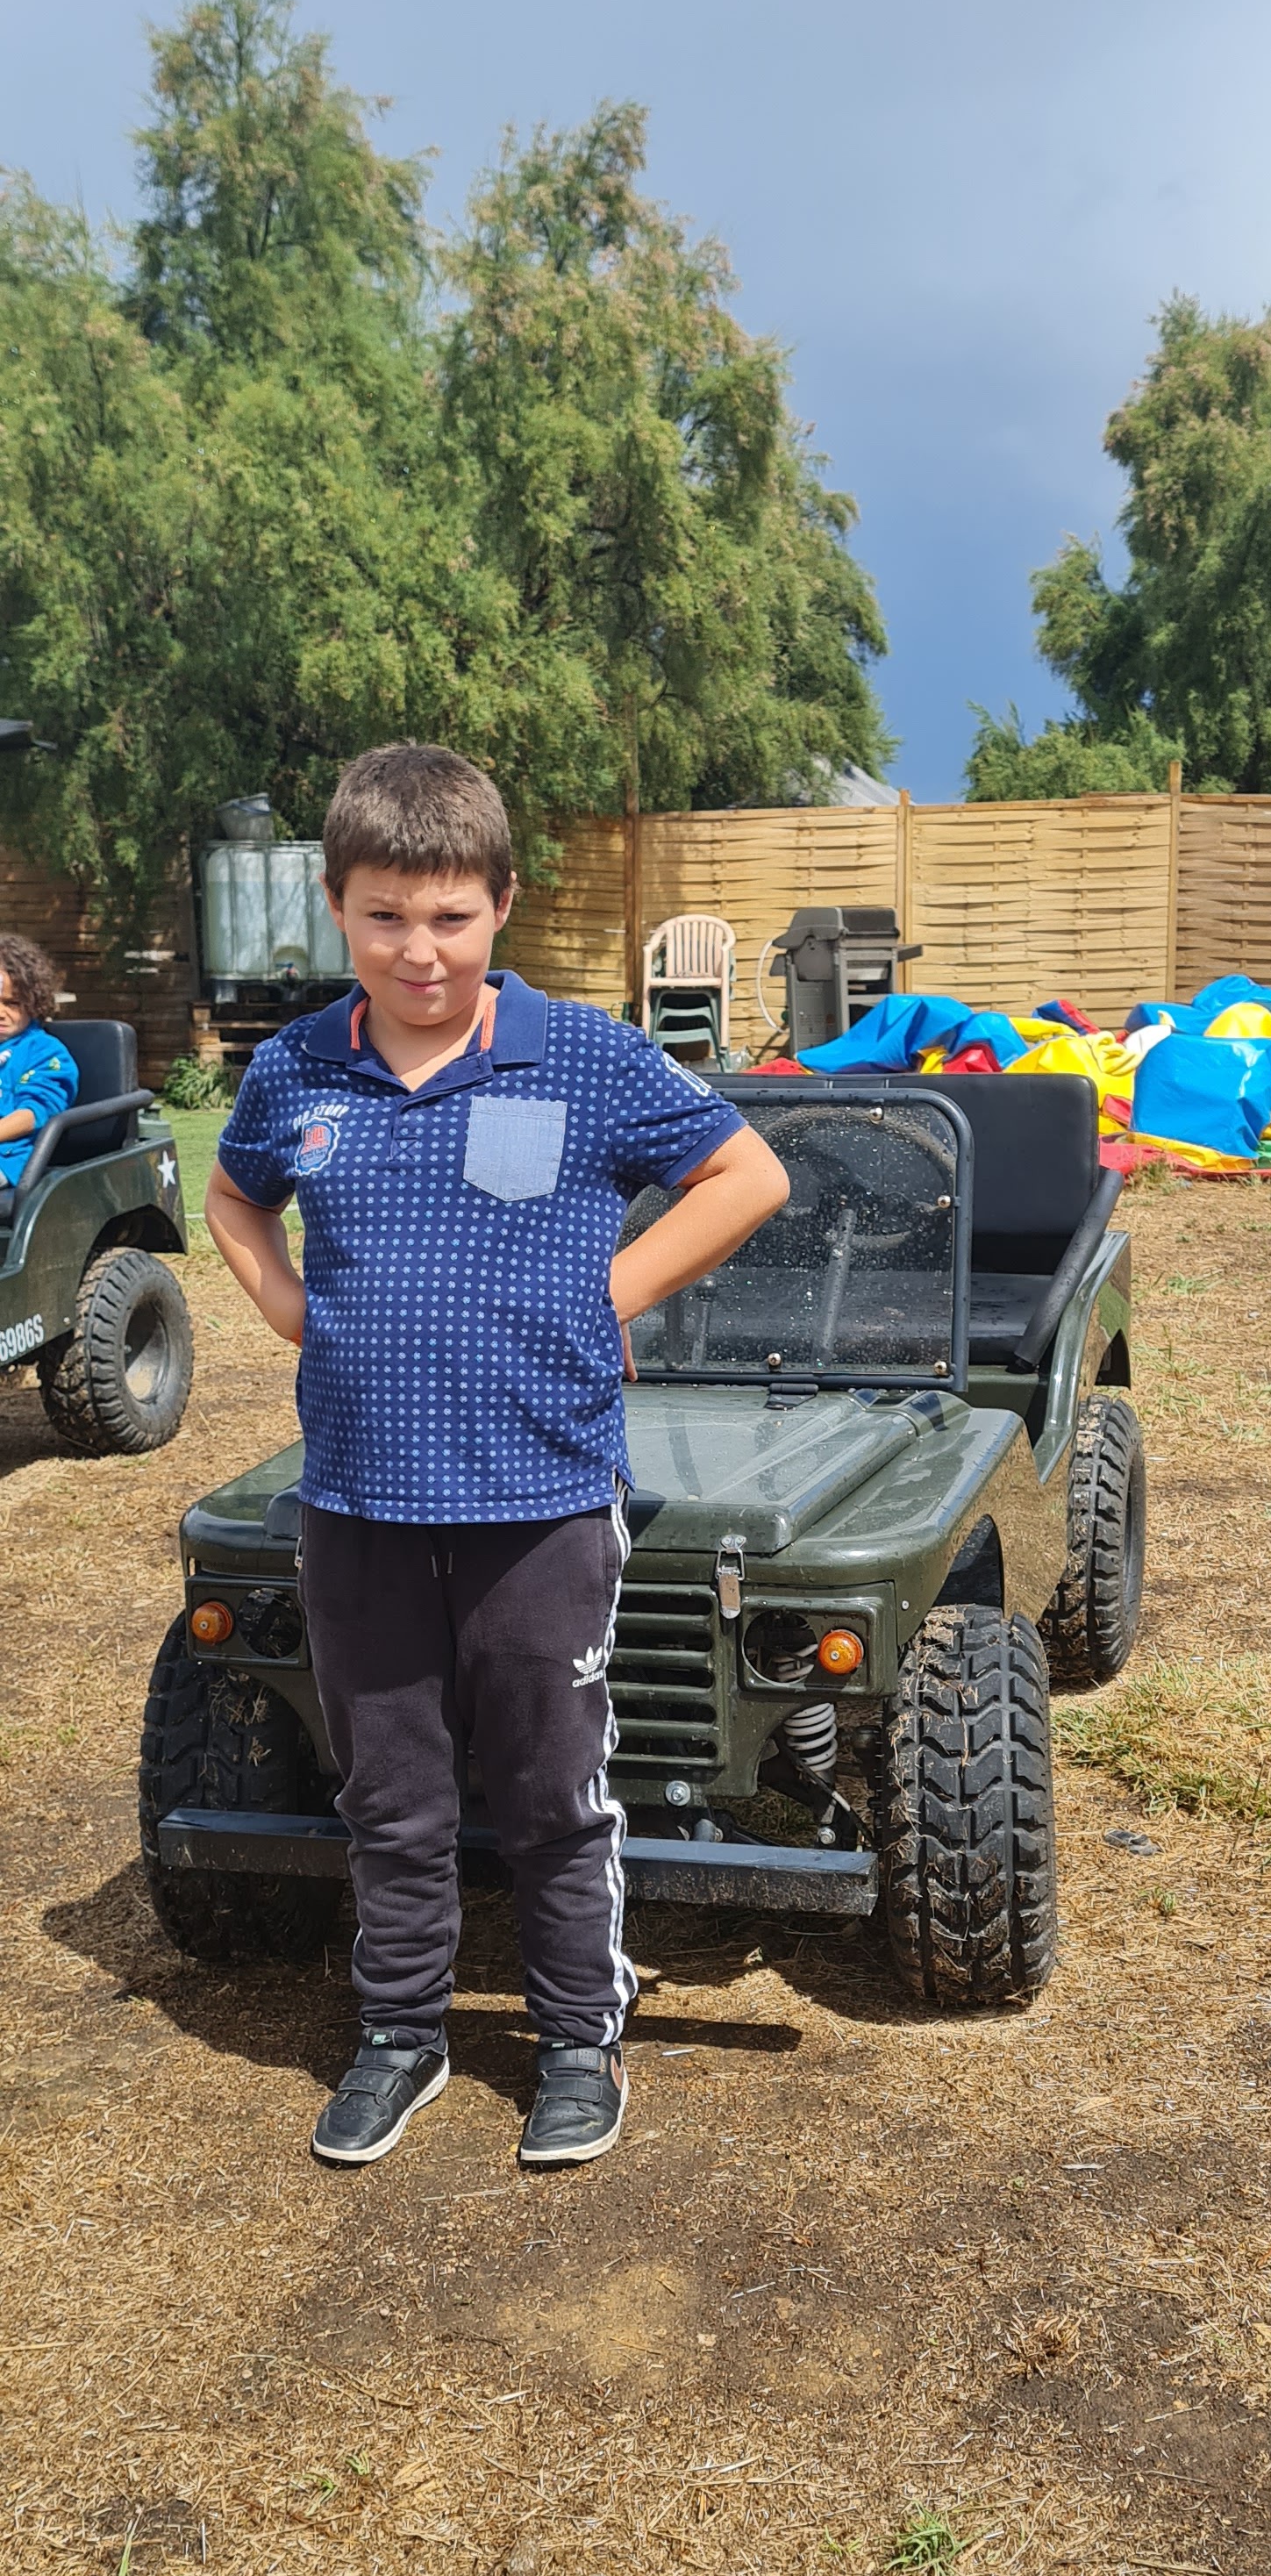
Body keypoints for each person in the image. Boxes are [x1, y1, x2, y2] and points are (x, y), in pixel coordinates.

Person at [205, 744, 788, 2175]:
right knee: (389, 1794)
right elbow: (231, 1193)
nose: (420, 950)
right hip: (358, 1499)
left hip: (541, 1499)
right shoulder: (295, 1069)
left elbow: (748, 1174)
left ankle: (580, 2039)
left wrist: (605, 1293)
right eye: (386, 916)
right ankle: (400, 2034)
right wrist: (288, 1305)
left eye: (451, 917)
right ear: (336, 907)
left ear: (503, 905)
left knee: (549, 1792)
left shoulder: (582, 1056)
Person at [0, 934, 78, 1181]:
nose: (1, 1012)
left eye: (12, 1003)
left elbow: (34, 1113)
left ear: (33, 1002)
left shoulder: (45, 1052)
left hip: (8, 1158)